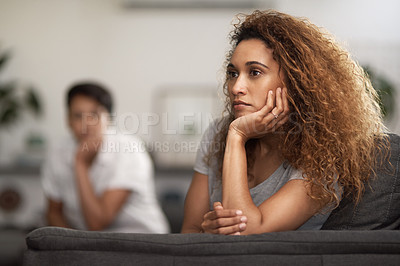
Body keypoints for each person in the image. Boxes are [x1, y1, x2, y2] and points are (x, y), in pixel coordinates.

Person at [181, 10, 387, 235]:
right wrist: (207, 234)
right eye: (233, 73)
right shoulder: (217, 133)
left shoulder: (324, 154)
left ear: (295, 81)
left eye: (255, 72)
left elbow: (247, 232)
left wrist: (237, 137)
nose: (236, 87)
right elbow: (189, 229)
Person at [41, 82, 169, 233]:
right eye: (78, 116)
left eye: (94, 115)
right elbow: (54, 212)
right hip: (85, 244)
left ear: (108, 119)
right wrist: (70, 247)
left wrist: (80, 164)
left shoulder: (129, 150)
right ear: (67, 120)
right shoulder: (58, 152)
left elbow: (98, 222)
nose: (86, 124)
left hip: (141, 241)